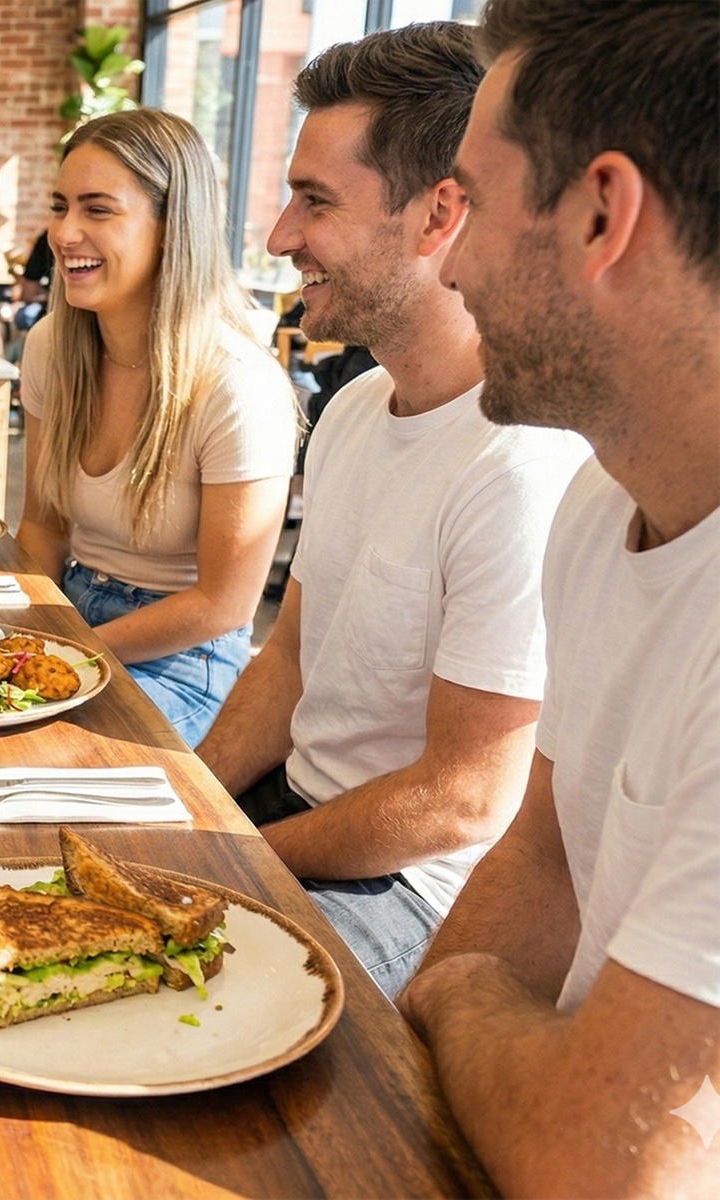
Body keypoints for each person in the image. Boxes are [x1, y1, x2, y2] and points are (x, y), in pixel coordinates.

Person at [195, 23, 590, 999]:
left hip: (403, 886)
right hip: (292, 810)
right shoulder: (355, 407)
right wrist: (190, 809)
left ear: (437, 214)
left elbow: (461, 801)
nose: (280, 236)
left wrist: (235, 858)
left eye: (315, 201)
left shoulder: (518, 463)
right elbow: (288, 659)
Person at [400, 2, 720, 1192]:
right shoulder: (600, 502)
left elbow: (604, 1166)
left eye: (475, 204)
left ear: (601, 215)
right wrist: (438, 1009)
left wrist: (462, 995)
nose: (453, 264)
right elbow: (546, 855)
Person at [14, 108, 299, 746]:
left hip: (182, 658)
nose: (64, 233)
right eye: (60, 207)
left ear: (172, 228)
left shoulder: (237, 384)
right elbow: (44, 527)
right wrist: (20, 641)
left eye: (98, 210)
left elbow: (223, 605)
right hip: (68, 612)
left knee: (29, 753)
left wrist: (66, 652)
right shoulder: (52, 347)